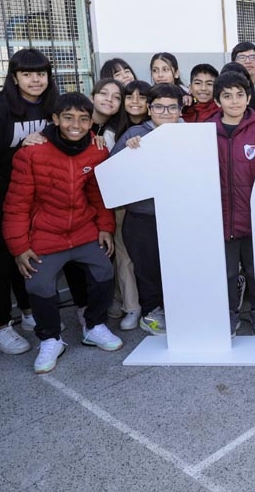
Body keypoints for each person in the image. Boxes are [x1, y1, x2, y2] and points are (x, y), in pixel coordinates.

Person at [3, 92, 123, 373]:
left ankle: (94, 325)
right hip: (46, 234)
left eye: (83, 118)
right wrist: (19, 247)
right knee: (38, 284)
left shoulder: (97, 149)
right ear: (55, 119)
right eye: (68, 117)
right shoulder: (31, 152)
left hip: (83, 229)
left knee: (104, 271)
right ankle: (50, 338)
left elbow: (98, 194)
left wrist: (105, 227)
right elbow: (16, 205)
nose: (76, 125)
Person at [0, 49, 61, 356]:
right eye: (27, 74)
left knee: (28, 258)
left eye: (41, 73)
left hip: (35, 201)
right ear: (14, 77)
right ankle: (0, 327)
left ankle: (27, 311)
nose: (35, 80)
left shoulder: (53, 106)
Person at [111, 83, 187, 336]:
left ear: (180, 108)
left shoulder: (191, 133)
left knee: (178, 265)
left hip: (179, 215)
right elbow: (113, 173)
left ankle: (178, 310)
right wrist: (130, 153)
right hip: (144, 217)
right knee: (148, 268)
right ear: (149, 108)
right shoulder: (134, 134)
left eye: (171, 107)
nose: (165, 112)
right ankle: (151, 313)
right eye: (158, 107)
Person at [211, 71, 255, 335]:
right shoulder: (206, 132)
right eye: (227, 96)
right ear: (218, 101)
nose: (234, 101)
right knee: (227, 272)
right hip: (220, 219)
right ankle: (229, 312)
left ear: (249, 97)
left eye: (240, 95)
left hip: (253, 218)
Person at [89, 78, 140, 331]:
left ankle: (129, 303)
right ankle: (127, 304)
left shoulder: (145, 127)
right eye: (128, 97)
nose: (134, 103)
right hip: (110, 201)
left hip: (139, 200)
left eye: (117, 96)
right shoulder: (103, 131)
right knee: (121, 255)